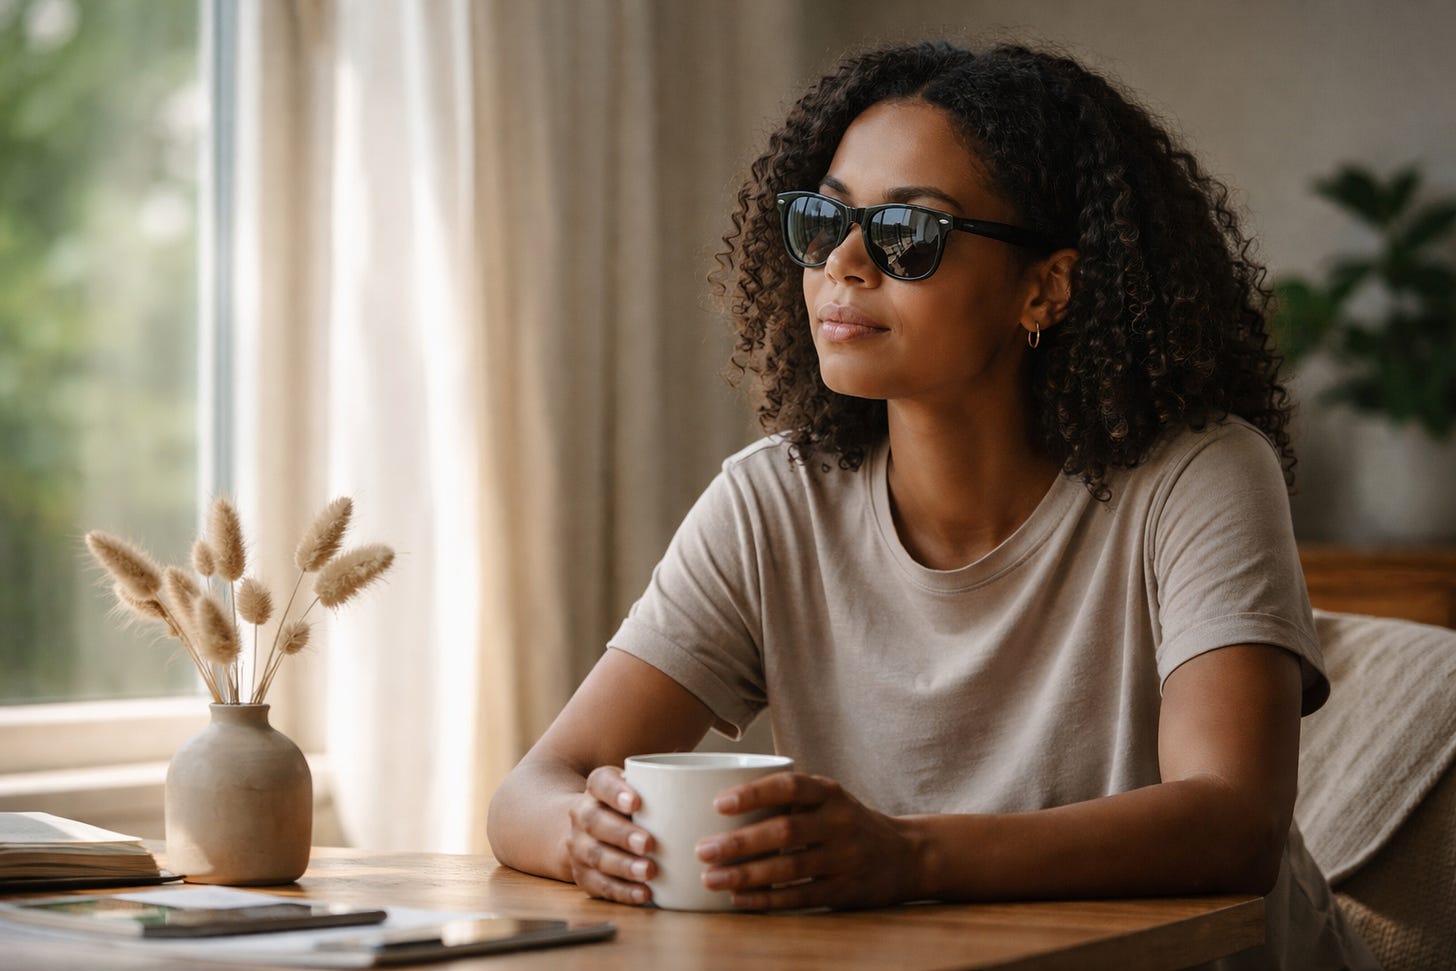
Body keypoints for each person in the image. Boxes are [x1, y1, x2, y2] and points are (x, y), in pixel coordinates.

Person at [486, 40, 1376, 970]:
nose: (844, 262)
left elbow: (1233, 818)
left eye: (909, 233)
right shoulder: (771, 503)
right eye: (823, 222)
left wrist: (906, 853)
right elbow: (531, 791)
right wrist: (586, 836)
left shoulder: (1198, 475)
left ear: (1045, 287)